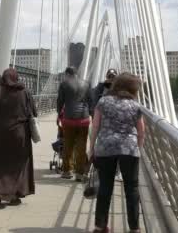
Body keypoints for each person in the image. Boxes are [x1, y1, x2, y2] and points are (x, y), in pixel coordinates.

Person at [89, 73, 145, 233]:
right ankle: (134, 228)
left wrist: (91, 147)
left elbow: (95, 126)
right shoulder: (135, 105)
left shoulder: (103, 101)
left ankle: (100, 226)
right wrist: (138, 148)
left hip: (106, 147)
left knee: (105, 186)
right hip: (129, 148)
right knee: (132, 188)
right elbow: (141, 131)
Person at [0, 68, 36, 206]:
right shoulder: (24, 92)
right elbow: (33, 111)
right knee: (16, 166)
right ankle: (13, 196)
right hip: (19, 134)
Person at [57, 67, 91, 181]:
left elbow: (60, 101)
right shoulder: (86, 83)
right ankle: (80, 173)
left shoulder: (64, 84)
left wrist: (59, 114)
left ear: (67, 74)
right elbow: (91, 101)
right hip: (83, 119)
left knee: (68, 145)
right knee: (81, 147)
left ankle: (67, 171)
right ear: (76, 73)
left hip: (69, 120)